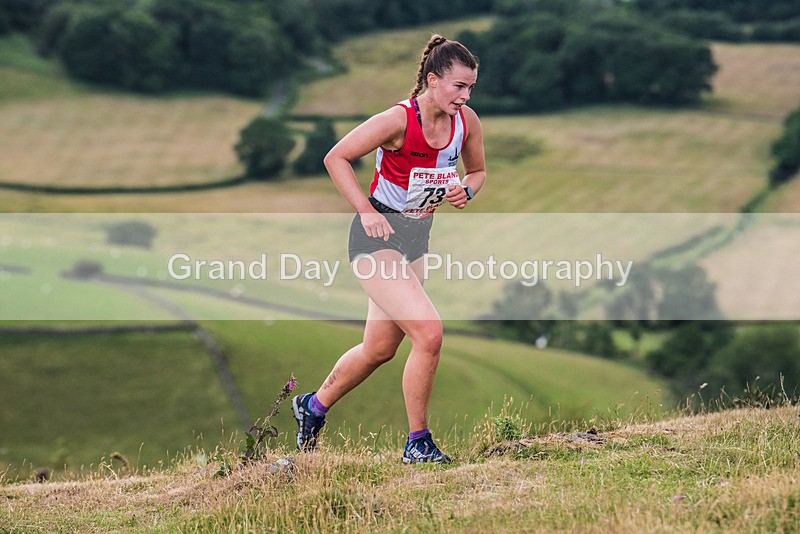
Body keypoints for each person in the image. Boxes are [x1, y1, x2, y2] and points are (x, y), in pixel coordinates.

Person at [293, 34, 486, 464]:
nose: (465, 96)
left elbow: (477, 171)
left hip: (417, 240)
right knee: (429, 334)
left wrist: (466, 191)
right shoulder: (397, 120)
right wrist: (365, 211)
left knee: (379, 349)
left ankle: (312, 406)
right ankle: (418, 443)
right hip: (377, 239)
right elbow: (335, 158)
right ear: (432, 80)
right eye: (459, 86)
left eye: (471, 87)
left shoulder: (466, 122)